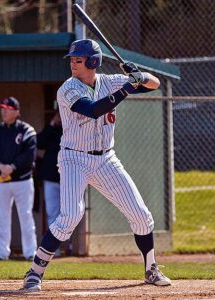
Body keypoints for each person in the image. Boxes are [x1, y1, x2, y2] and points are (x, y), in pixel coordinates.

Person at [23, 39, 171, 291]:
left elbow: (154, 84)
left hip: (105, 158)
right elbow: (93, 109)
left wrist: (139, 74)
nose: (73, 64)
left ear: (93, 62)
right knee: (70, 215)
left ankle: (151, 269)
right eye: (71, 60)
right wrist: (127, 87)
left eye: (78, 60)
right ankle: (34, 272)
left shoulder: (110, 81)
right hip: (74, 158)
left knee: (141, 215)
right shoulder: (67, 89)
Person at [0, 97, 37, 260]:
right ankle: (1, 253)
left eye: (7, 108)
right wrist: (0, 166)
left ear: (17, 112)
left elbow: (29, 155)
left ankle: (30, 253)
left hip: (23, 180)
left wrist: (12, 167)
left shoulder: (27, 130)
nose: (3, 111)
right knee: (2, 216)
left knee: (26, 215)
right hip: (2, 180)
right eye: (2, 108)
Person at [37, 110, 63, 256]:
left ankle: (70, 245)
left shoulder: (72, 129)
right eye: (58, 114)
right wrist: (52, 124)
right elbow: (39, 143)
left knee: (69, 214)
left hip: (69, 179)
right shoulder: (51, 129)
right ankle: (54, 249)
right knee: (52, 213)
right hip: (50, 177)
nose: (60, 117)